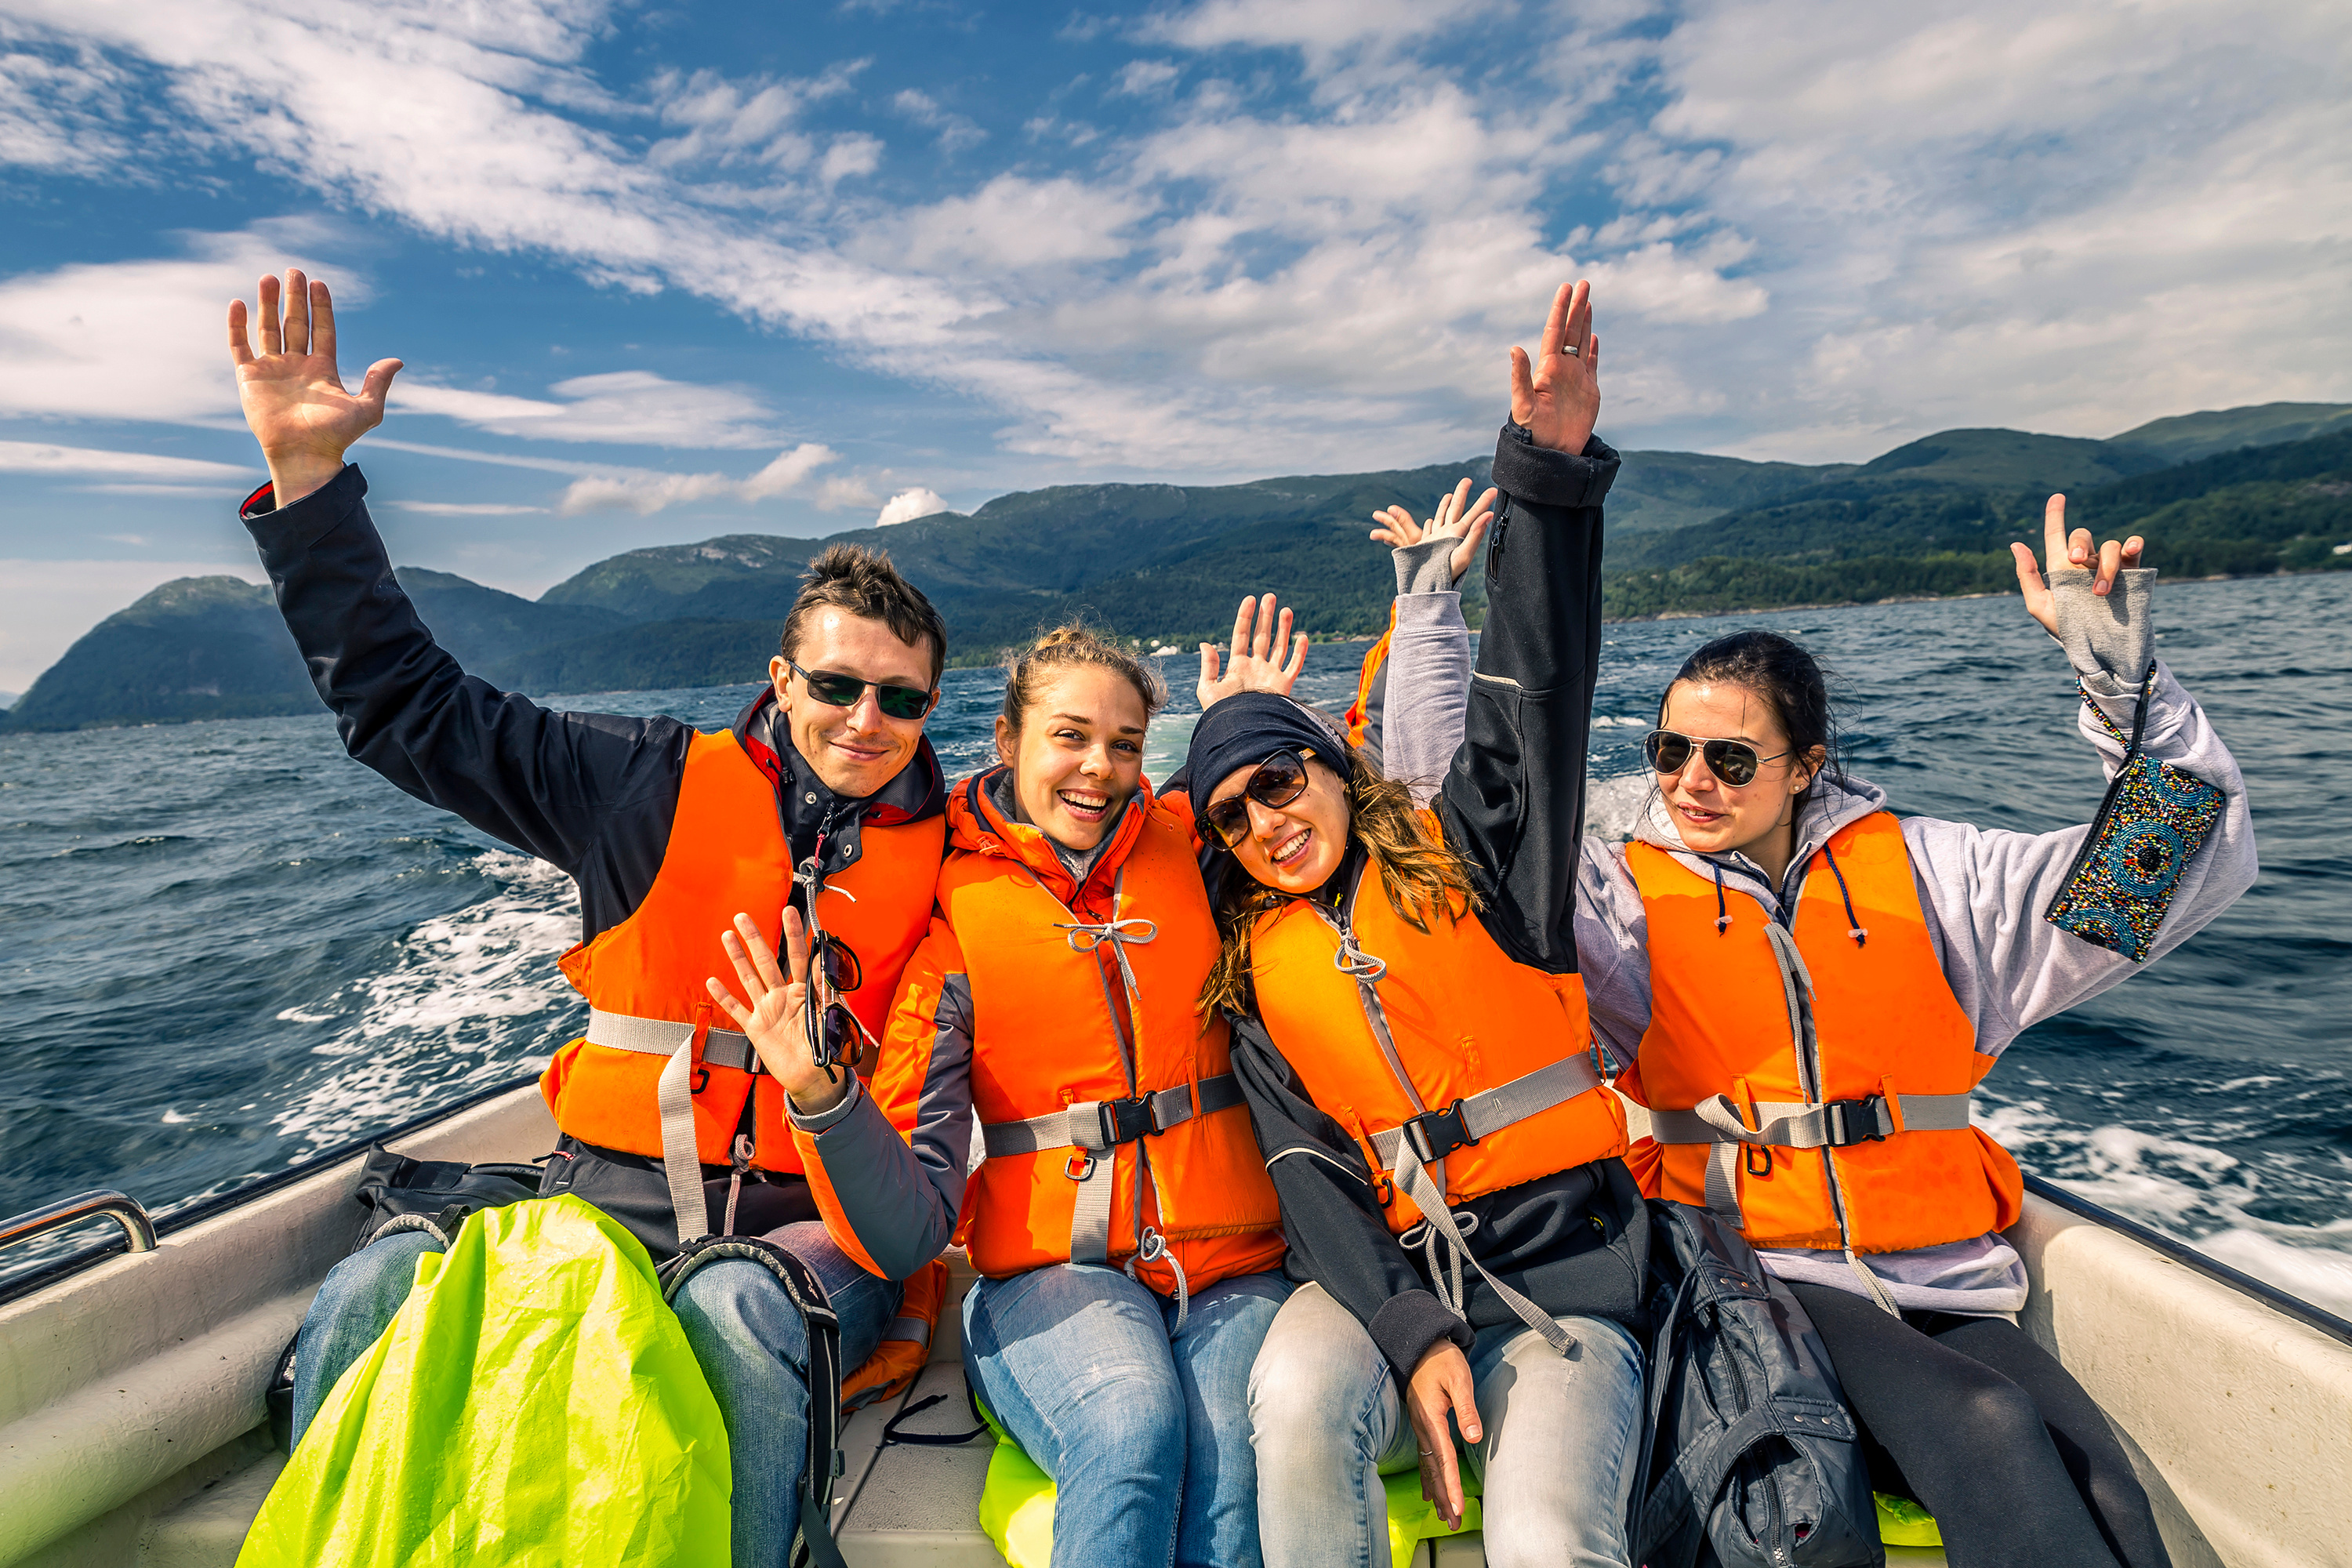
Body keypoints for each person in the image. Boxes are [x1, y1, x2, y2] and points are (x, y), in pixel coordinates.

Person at [1379, 474, 2257, 1564]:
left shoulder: (1939, 881)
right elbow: (1447, 830)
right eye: (1670, 753)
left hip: (1950, 1277)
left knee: (2111, 1494)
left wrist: (2127, 686)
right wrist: (1429, 610)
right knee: (1989, 1428)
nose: (1692, 782)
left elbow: (2177, 865)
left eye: (1732, 760)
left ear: (1806, 766)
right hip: (1749, 1276)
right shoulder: (1621, 904)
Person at [228, 268, 949, 1566]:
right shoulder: (639, 783)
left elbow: (1111, 827)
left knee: (737, 1308)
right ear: (781, 678)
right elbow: (412, 709)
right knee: (374, 1286)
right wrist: (309, 486)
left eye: (902, 703)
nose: (867, 723)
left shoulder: (954, 848)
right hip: (599, 1201)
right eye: (839, 685)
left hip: (799, 1228)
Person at [1189, 281, 1650, 1568]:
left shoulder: (1486, 856)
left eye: (1280, 780)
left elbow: (1535, 694)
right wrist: (1407, 1328)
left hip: (1569, 1277)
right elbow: (1309, 1175)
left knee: (1548, 1541)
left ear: (1337, 765)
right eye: (1231, 817)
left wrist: (1548, 481)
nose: (1265, 821)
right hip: (1396, 1282)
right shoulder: (1263, 979)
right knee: (1292, 1404)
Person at [717, 622, 1305, 1567]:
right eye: (1069, 735)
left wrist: (1251, 718)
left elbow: (1318, 824)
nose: (1098, 768)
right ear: (1008, 741)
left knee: (1236, 1474)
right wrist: (819, 1090)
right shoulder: (959, 921)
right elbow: (910, 1229)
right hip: (1047, 1281)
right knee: (1130, 1429)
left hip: (1233, 1263)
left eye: (1122, 744)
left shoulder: (1197, 847)